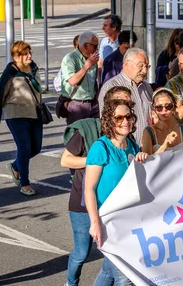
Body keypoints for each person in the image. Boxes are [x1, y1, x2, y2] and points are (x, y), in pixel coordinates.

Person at [61, 86, 132, 286]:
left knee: (112, 270)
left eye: (128, 110)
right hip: (85, 205)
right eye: (119, 115)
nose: (125, 118)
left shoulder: (130, 142)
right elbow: (66, 161)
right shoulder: (92, 137)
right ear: (108, 112)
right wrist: (96, 162)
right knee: (82, 253)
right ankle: (71, 282)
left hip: (115, 214)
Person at [85, 99, 149, 286]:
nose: (125, 121)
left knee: (108, 273)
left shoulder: (132, 146)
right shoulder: (101, 147)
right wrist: (95, 222)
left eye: (128, 116)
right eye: (118, 117)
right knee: (125, 279)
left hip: (129, 220)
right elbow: (89, 189)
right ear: (108, 121)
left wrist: (143, 158)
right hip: (108, 221)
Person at [0, 41, 44, 196]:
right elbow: (0, 93)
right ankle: (25, 183)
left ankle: (16, 166)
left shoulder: (33, 68)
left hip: (34, 113)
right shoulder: (11, 72)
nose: (29, 56)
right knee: (24, 148)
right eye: (25, 53)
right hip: (16, 114)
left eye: (30, 52)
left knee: (36, 148)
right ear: (16, 57)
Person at [98, 48, 153, 142]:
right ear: (126, 64)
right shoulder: (111, 87)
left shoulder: (146, 87)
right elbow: (106, 122)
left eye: (147, 66)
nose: (144, 71)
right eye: (141, 66)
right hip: (125, 148)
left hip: (148, 148)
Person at [142, 88, 183, 155]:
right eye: (159, 107)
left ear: (174, 108)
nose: (164, 110)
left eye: (168, 106)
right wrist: (165, 145)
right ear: (154, 109)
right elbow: (147, 162)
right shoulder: (149, 132)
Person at [59, 32, 100, 125]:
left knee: (95, 135)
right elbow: (72, 81)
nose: (97, 49)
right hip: (77, 104)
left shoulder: (92, 59)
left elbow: (94, 82)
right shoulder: (70, 58)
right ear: (86, 46)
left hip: (93, 103)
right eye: (95, 46)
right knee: (77, 136)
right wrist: (86, 66)